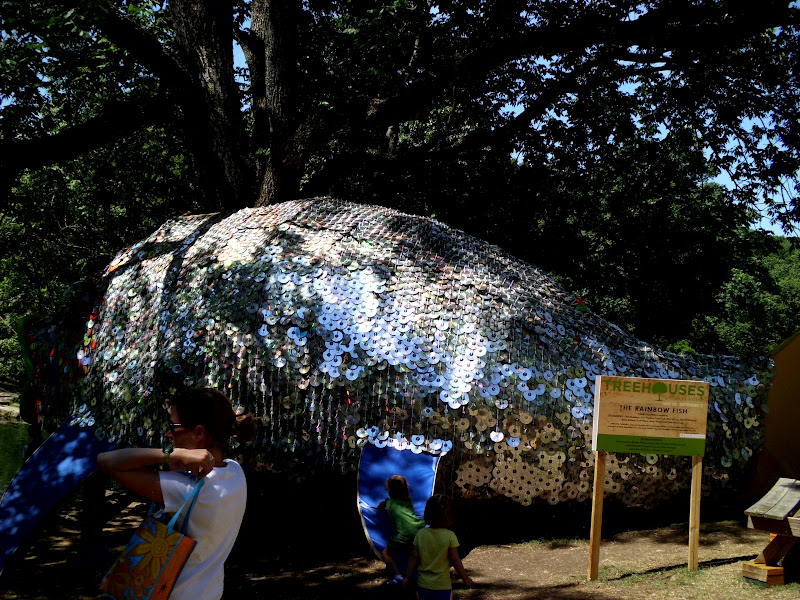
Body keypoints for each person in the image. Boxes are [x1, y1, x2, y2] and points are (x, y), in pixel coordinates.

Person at [97, 387, 255, 600]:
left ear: (198, 433)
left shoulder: (185, 489)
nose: (169, 434)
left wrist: (171, 454)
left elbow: (106, 462)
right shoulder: (235, 473)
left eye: (174, 427)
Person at [404, 494, 475, 599]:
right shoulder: (450, 536)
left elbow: (414, 556)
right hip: (442, 587)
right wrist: (465, 579)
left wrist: (407, 577)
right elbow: (455, 559)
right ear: (449, 516)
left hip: (423, 586)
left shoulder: (421, 534)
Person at [378, 474, 426, 584]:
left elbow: (380, 506)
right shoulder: (408, 501)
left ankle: (398, 576)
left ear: (390, 490)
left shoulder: (388, 502)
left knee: (386, 554)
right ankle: (415, 575)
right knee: (413, 553)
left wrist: (381, 506)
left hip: (404, 534)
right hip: (418, 528)